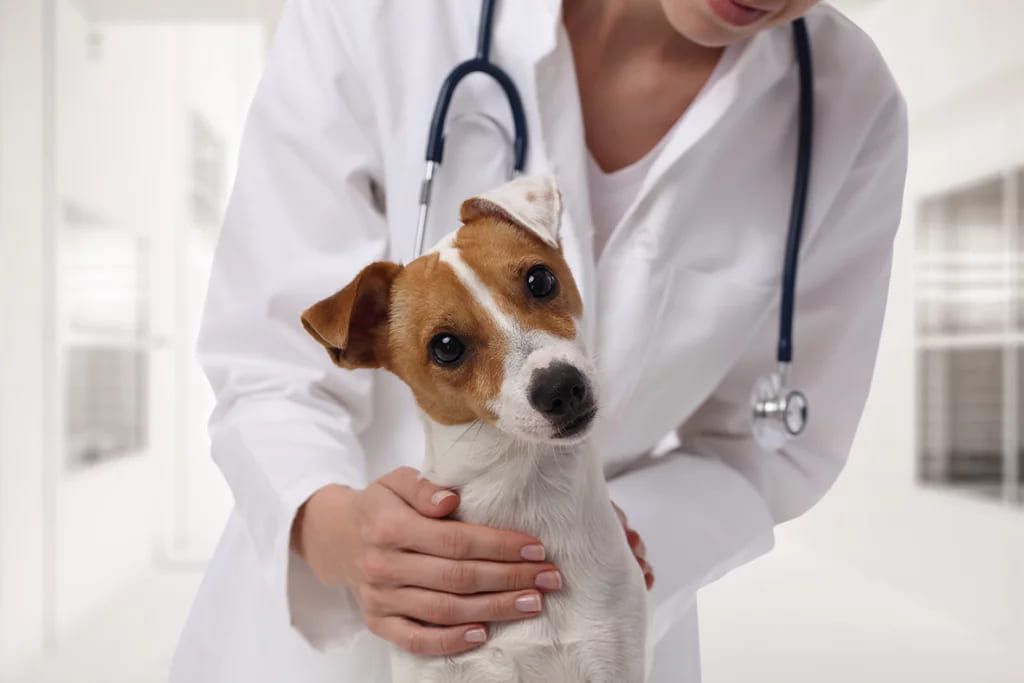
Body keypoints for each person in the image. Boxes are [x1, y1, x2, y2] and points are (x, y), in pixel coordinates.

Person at [169, 0, 908, 681]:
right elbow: (268, 362)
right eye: (453, 346)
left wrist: (608, 539)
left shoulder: (849, 106)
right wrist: (342, 535)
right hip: (326, 628)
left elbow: (775, 441)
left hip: (601, 616)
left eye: (539, 284)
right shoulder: (381, 14)